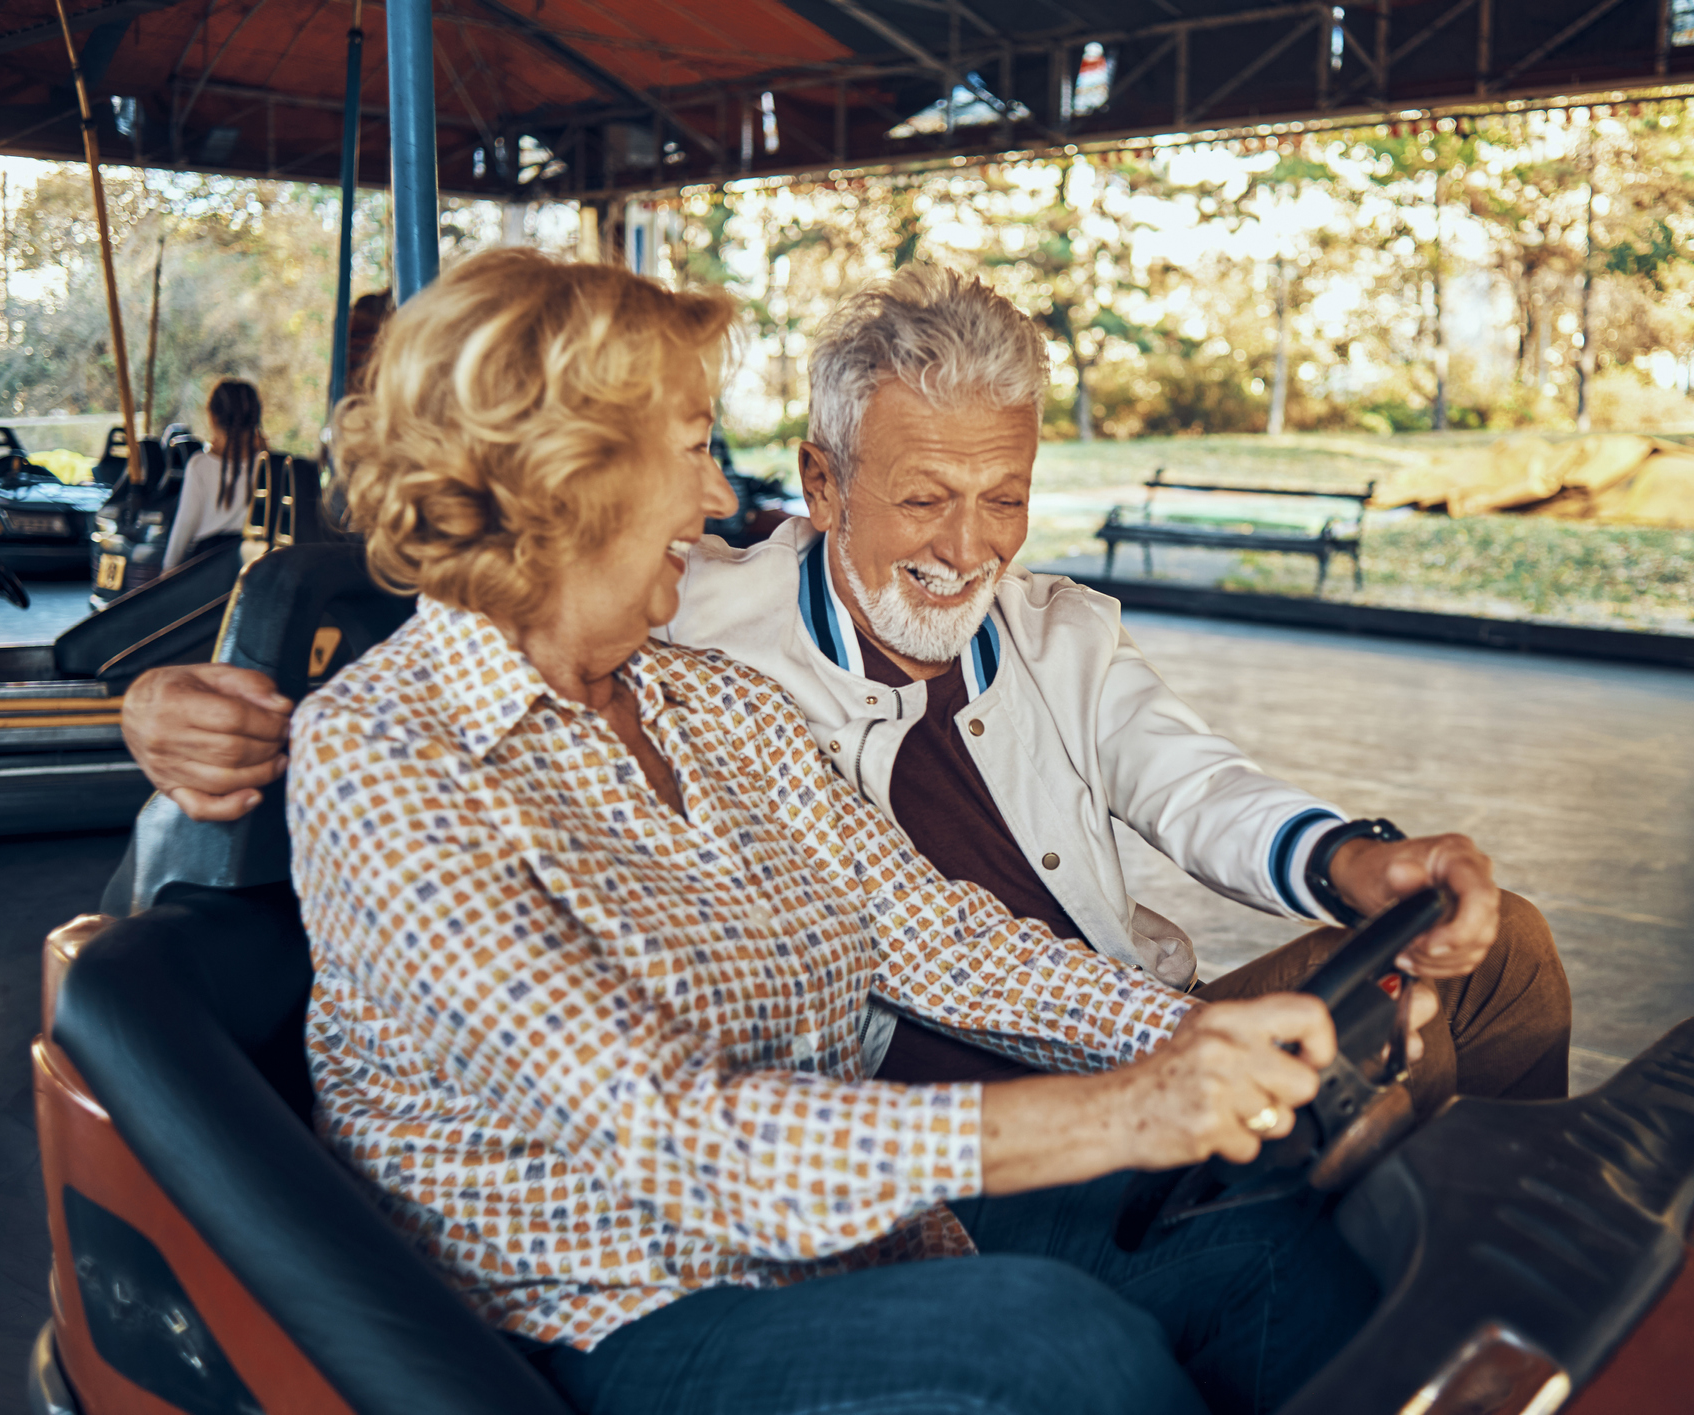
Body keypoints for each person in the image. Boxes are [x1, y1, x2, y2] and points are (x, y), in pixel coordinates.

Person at [297, 247, 1428, 1414]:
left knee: (1272, 1247)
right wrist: (1125, 1111)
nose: (717, 499)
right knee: (1051, 1350)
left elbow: (941, 939)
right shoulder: (386, 759)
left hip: (847, 1247)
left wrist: (1206, 1040)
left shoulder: (714, 706)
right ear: (565, 474)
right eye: (690, 449)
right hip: (607, 1313)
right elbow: (677, 1130)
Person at [118, 264, 1565, 1115]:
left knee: (1499, 953)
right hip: (900, 1104)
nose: (971, 547)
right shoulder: (689, 628)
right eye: (925, 497)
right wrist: (168, 717)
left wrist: (1349, 862)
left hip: (1097, 1016)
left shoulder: (1039, 633)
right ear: (821, 482)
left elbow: (1185, 786)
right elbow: (486, 623)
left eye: (1004, 496)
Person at [161, 376, 264, 569]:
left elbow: (185, 525)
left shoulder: (200, 465)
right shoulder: (268, 464)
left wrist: (168, 568)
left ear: (213, 417)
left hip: (208, 567)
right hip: (256, 565)